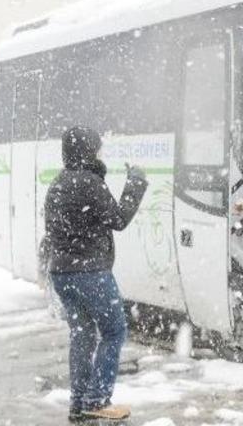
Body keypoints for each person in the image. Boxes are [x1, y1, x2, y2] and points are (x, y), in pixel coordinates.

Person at [43, 126, 148, 422]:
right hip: (90, 273)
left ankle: (79, 403)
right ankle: (98, 399)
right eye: (98, 148)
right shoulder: (89, 183)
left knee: (82, 335)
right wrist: (136, 184)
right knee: (114, 331)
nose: (100, 153)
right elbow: (119, 219)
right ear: (89, 150)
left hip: (62, 273)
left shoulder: (59, 183)